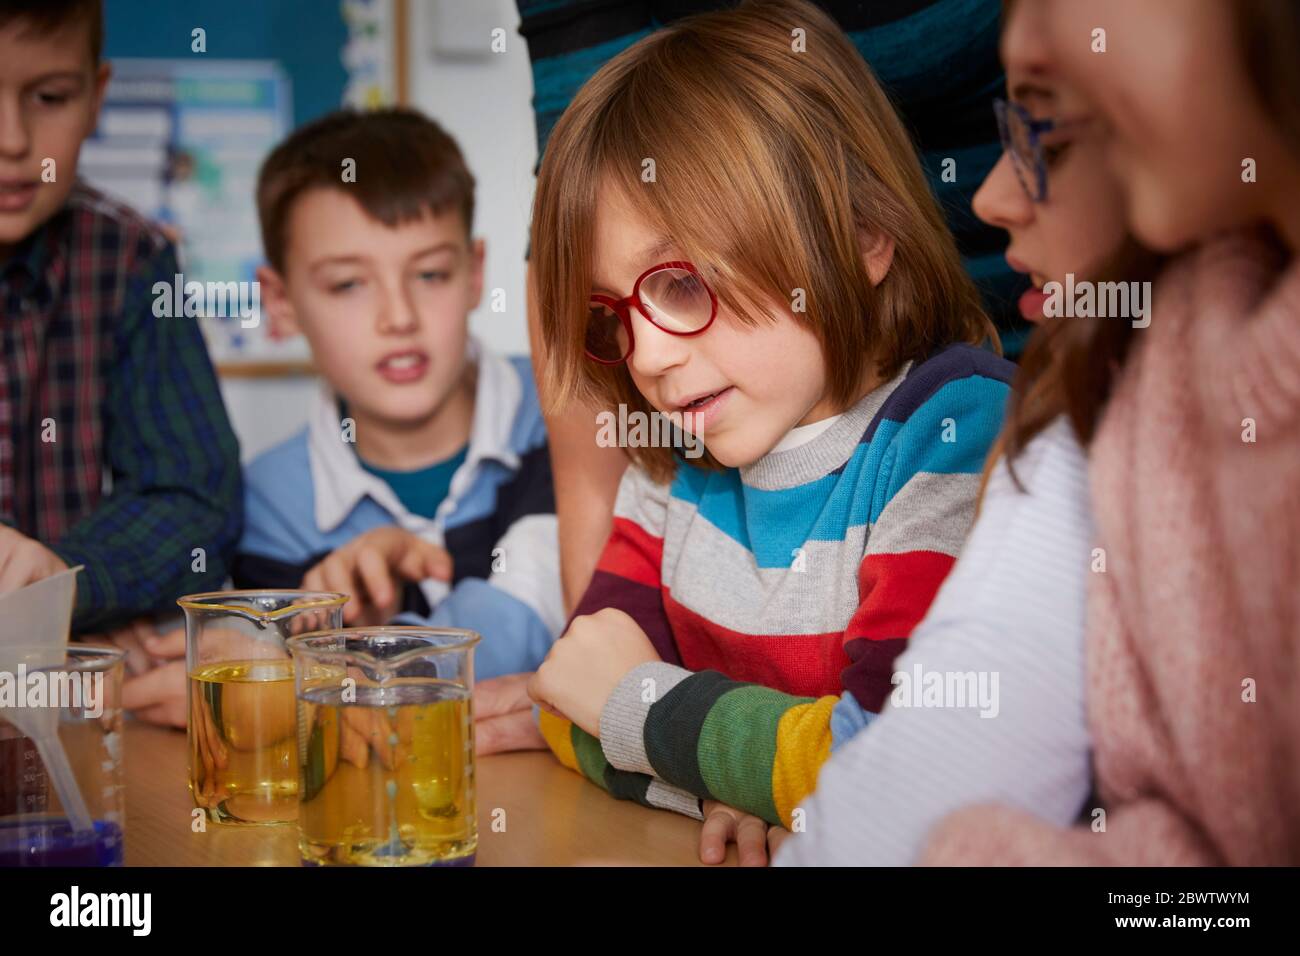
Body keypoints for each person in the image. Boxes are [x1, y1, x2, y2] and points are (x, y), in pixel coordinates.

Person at [523, 0, 1013, 863]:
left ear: (863, 235)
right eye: (613, 317)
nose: (648, 357)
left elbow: (899, 767)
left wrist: (644, 711)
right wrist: (723, 781)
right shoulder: (679, 458)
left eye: (677, 283)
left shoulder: (951, 431)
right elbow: (568, 696)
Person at [235, 108, 566, 681]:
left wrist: (366, 656)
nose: (399, 317)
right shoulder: (268, 506)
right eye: (348, 284)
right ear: (282, 301)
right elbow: (282, 687)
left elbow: (537, 614)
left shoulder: (565, 414)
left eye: (430, 274)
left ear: (473, 272)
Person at [0, 0, 241, 635]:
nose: (14, 141)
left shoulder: (131, 258)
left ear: (96, 96)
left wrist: (66, 579)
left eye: (49, 96)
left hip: (63, 688)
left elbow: (193, 500)